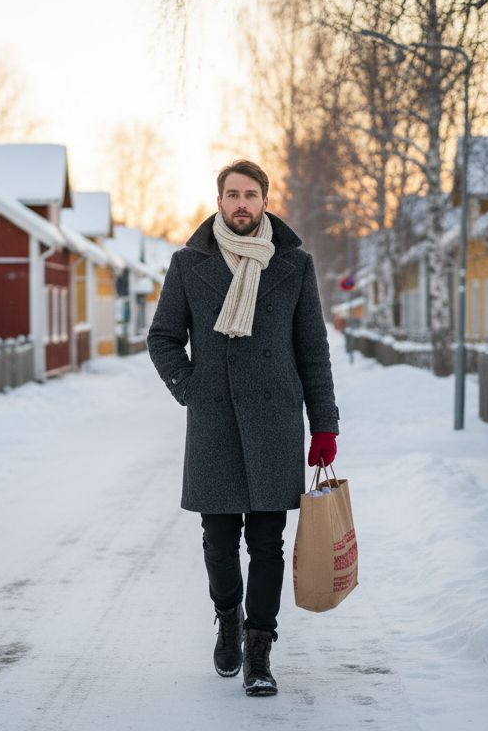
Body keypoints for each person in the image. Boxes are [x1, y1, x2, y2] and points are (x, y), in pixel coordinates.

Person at [147, 159, 339, 697]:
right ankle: (228, 616)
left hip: (275, 420)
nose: (241, 204)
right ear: (219, 200)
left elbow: (313, 352)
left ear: (264, 201)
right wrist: (191, 388)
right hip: (213, 422)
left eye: (250, 195)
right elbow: (162, 337)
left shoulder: (294, 264)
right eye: (232, 194)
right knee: (218, 540)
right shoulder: (189, 264)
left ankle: (259, 649)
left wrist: (323, 425)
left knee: (268, 542)